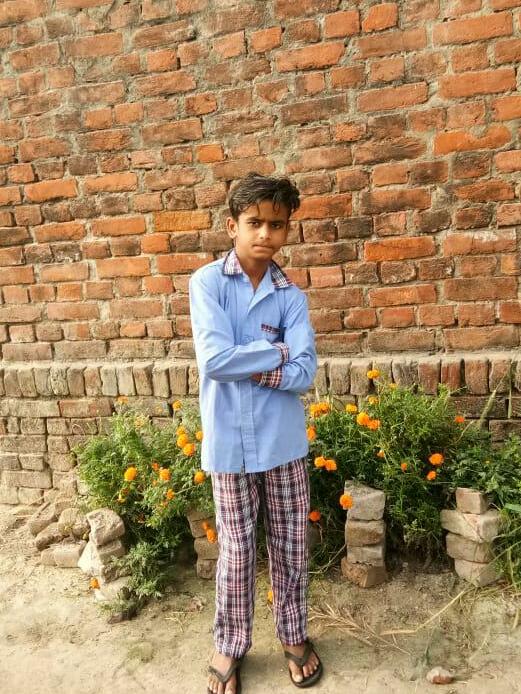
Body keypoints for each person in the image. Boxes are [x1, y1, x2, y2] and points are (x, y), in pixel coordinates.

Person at [189, 172, 322, 694]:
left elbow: (305, 373)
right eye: (254, 222)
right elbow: (215, 361)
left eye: (277, 224)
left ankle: (293, 635)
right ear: (232, 226)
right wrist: (279, 352)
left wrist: (258, 365)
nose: (265, 233)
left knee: (291, 545)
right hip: (228, 443)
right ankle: (230, 644)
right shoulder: (207, 284)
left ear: (287, 230)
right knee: (237, 550)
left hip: (282, 443)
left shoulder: (291, 297)